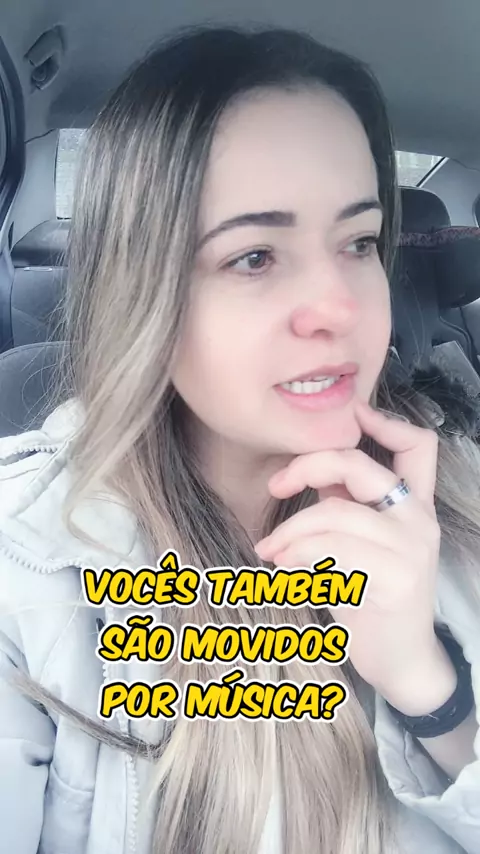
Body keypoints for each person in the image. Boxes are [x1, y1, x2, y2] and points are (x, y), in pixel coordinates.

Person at [0, 24, 479, 854]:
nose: (339, 308)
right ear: (143, 287)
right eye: (254, 256)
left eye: (360, 242)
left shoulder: (465, 497)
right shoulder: (28, 559)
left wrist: (429, 687)